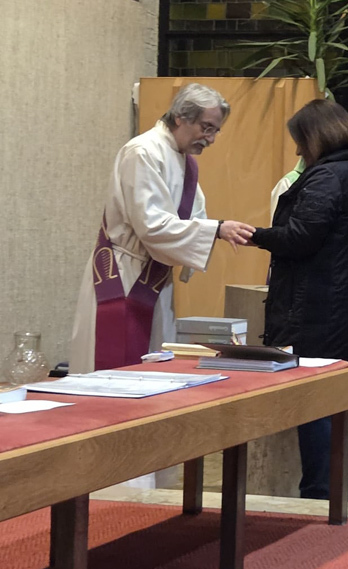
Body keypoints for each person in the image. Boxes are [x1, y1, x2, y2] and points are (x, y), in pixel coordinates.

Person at [70, 83, 251, 373]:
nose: (211, 139)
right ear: (180, 117)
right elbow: (151, 225)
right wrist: (216, 229)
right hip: (123, 276)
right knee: (117, 369)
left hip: (155, 278)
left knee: (152, 365)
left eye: (215, 131)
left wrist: (223, 230)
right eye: (206, 128)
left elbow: (193, 216)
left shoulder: (184, 161)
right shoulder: (142, 152)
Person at [242, 99, 348, 499]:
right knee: (328, 406)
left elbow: (302, 237)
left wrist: (253, 235)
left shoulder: (326, 177)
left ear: (317, 137)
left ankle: (318, 494)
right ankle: (327, 492)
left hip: (318, 310)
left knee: (315, 406)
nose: (298, 149)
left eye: (301, 140)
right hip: (340, 306)